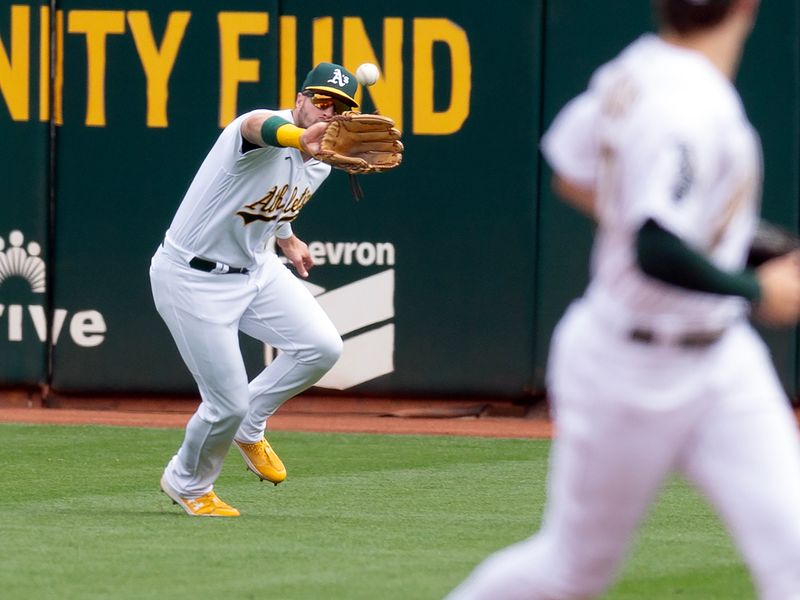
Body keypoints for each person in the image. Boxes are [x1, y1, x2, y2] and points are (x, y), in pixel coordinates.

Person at [447, 0, 800, 597]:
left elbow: (573, 171)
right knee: (573, 571)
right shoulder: (686, 102)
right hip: (628, 366)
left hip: (720, 362)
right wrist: (756, 288)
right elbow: (656, 249)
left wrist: (737, 245)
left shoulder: (636, 69)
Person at [150, 62, 361, 517]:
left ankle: (251, 423)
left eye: (341, 108)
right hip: (192, 278)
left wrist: (287, 237)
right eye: (321, 101)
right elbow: (254, 126)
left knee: (321, 347)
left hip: (257, 270)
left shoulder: (321, 161)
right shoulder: (267, 130)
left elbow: (277, 198)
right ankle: (187, 482)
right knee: (225, 402)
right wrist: (297, 136)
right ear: (300, 98)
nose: (329, 113)